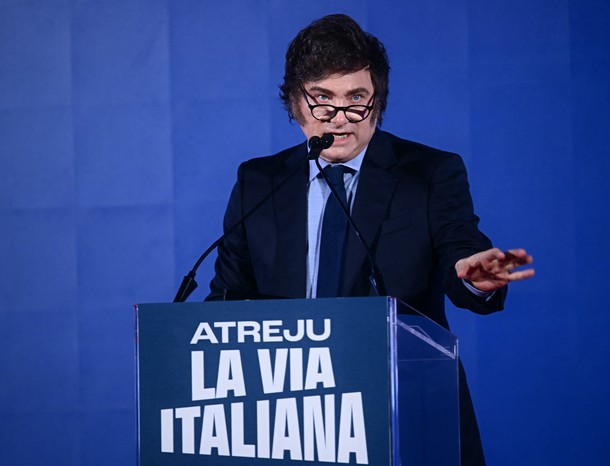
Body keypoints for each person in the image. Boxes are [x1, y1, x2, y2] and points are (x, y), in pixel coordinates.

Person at [208, 13, 534, 466]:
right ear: (295, 104)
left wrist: (475, 278)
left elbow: (461, 252)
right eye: (322, 98)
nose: (340, 118)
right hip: (287, 419)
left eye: (356, 99)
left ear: (377, 103)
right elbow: (226, 301)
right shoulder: (258, 182)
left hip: (401, 408)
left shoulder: (429, 173)